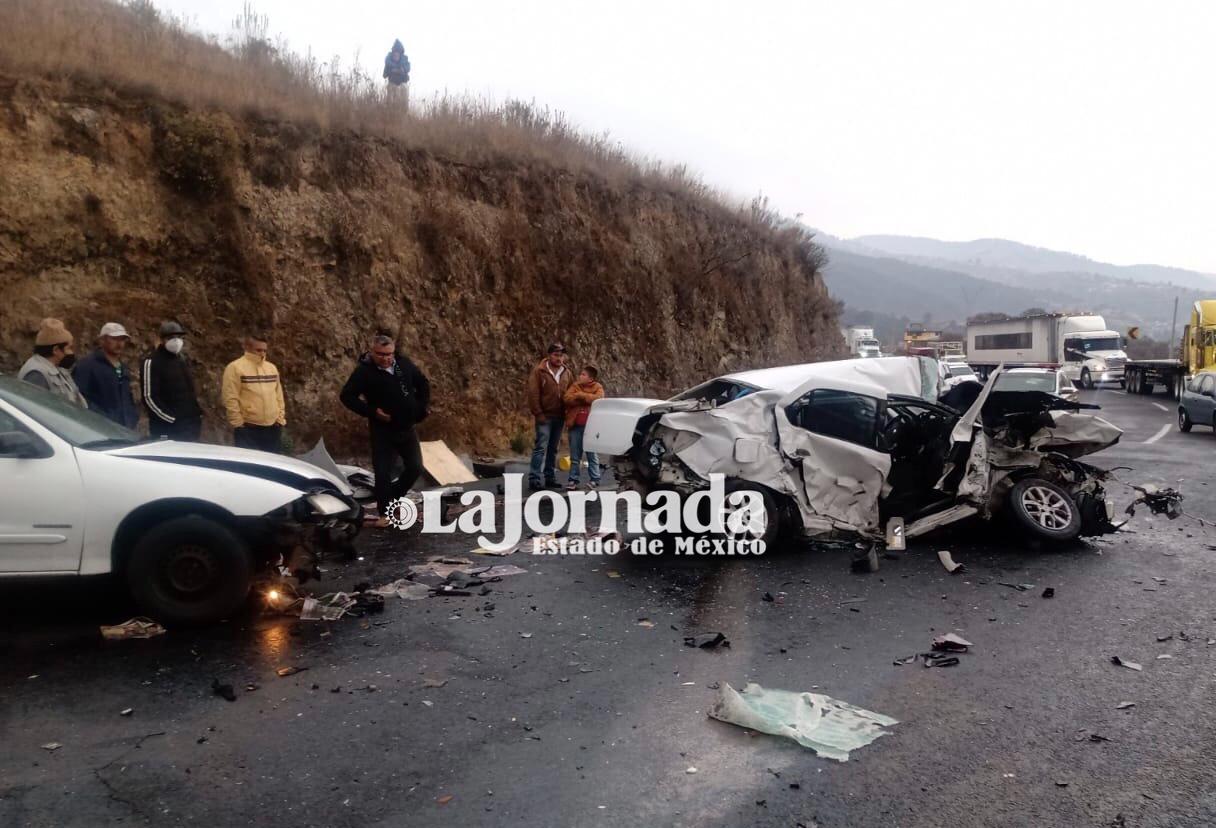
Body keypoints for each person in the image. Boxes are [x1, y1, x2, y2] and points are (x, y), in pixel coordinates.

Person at [340, 334, 430, 528]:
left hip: (406, 426)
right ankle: (385, 511)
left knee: (415, 467)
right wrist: (372, 412)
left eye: (389, 354)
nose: (386, 358)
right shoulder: (364, 372)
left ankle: (393, 497)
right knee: (382, 472)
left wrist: (420, 408)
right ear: (372, 352)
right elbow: (347, 396)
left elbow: (422, 383)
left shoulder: (403, 364)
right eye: (381, 354)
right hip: (382, 429)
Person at [221, 334, 287, 453]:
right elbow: (230, 397)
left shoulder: (271, 368)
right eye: (258, 350)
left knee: (272, 465)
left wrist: (280, 418)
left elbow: (278, 395)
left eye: (264, 350)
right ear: (247, 347)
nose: (262, 354)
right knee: (249, 466)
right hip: (248, 429)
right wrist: (238, 423)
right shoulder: (235, 368)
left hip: (273, 428)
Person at [142, 321, 203, 441]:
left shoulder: (181, 360)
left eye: (179, 337)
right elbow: (149, 397)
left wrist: (197, 414)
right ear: (162, 340)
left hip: (190, 426)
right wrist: (171, 419)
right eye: (171, 337)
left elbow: (190, 391)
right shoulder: (151, 361)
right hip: (167, 429)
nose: (176, 341)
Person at [73, 322, 139, 428]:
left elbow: (127, 396)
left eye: (122, 339)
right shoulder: (87, 365)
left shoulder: (123, 367)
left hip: (126, 428)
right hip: (101, 428)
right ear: (102, 340)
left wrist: (133, 416)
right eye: (114, 339)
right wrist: (102, 418)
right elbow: (80, 397)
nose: (119, 343)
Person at [526, 342, 573, 490]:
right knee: (541, 446)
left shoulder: (567, 373)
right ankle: (534, 478)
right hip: (544, 416)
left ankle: (550, 477)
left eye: (561, 355)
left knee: (553, 448)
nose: (559, 358)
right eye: (556, 355)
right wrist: (538, 413)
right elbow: (533, 393)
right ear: (549, 355)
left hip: (560, 416)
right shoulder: (539, 371)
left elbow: (572, 393)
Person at [18, 318, 87, 407]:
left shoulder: (59, 369)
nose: (71, 353)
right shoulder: (37, 373)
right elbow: (35, 409)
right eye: (68, 348)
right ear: (56, 350)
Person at [563, 365, 605, 490]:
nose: (580, 376)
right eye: (581, 374)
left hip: (590, 426)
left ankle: (595, 479)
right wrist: (585, 398)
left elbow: (599, 399)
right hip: (575, 425)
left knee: (592, 454)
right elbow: (567, 399)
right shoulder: (575, 386)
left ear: (590, 378)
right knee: (575, 456)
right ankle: (573, 480)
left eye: (583, 374)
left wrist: (580, 395)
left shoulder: (597, 387)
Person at [383, 39, 411, 107]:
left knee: (404, 103)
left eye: (398, 52)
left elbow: (408, 68)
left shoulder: (405, 60)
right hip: (392, 84)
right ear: (393, 52)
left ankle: (403, 115)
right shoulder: (388, 61)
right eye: (395, 52)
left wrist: (403, 70)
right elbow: (384, 75)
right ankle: (390, 113)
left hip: (403, 84)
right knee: (391, 104)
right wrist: (392, 71)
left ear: (400, 53)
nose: (396, 54)